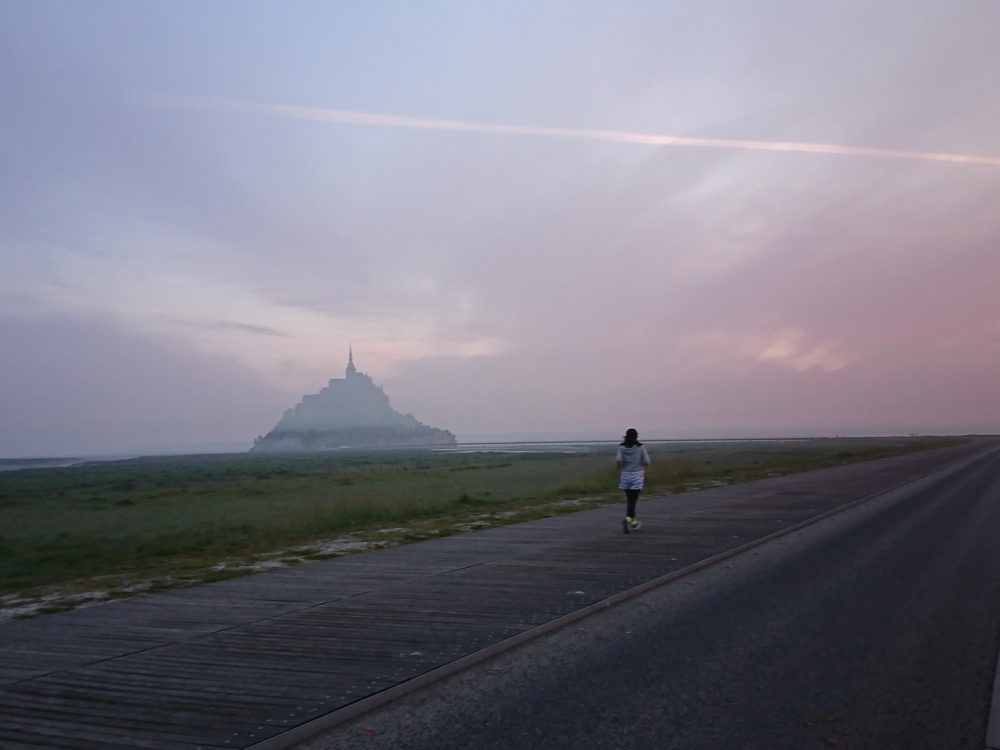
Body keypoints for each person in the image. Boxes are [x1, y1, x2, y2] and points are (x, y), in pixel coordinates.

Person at [616, 428, 650, 533]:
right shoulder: (640, 447)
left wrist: (619, 466)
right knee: (633, 500)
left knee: (629, 499)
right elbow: (646, 461)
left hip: (625, 474)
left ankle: (634, 523)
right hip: (637, 474)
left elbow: (618, 460)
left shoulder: (621, 447)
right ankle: (627, 520)